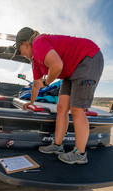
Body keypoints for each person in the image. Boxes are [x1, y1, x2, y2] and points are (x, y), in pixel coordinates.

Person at [14, 27, 104, 164]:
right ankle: (57, 146)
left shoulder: (38, 43)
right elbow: (36, 85)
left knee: (76, 109)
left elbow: (57, 66)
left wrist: (47, 82)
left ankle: (80, 153)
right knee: (61, 108)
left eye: (20, 51)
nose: (22, 54)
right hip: (70, 71)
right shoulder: (34, 61)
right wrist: (31, 102)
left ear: (25, 44)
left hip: (88, 58)